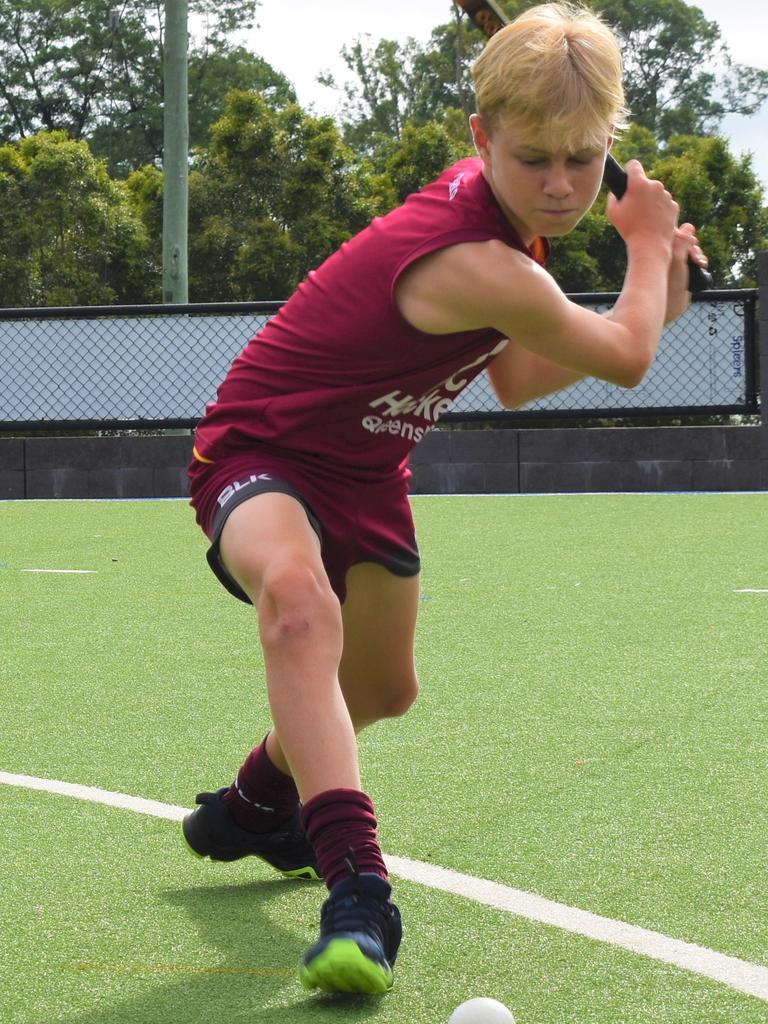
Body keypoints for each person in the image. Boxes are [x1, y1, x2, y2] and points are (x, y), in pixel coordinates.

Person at [182, 1, 707, 996]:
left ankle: (255, 804)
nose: (559, 185)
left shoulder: (509, 237)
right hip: (264, 446)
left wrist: (659, 294)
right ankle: (358, 897)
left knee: (381, 691)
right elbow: (626, 356)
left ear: (607, 147)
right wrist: (643, 247)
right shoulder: (476, 255)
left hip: (371, 472)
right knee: (299, 606)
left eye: (582, 162)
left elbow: (516, 373)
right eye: (535, 159)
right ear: (481, 139)